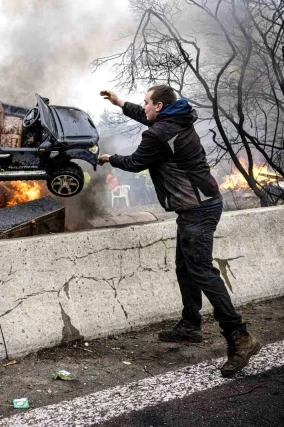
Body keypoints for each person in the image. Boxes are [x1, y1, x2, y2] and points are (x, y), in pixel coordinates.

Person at [98, 86, 260, 377]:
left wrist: (110, 158)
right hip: (202, 204)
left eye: (147, 102)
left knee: (201, 271)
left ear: (159, 106)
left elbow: (135, 163)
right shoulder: (177, 120)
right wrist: (120, 102)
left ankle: (240, 338)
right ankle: (189, 325)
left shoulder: (159, 133)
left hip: (197, 208)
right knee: (185, 267)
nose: (144, 106)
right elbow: (149, 120)